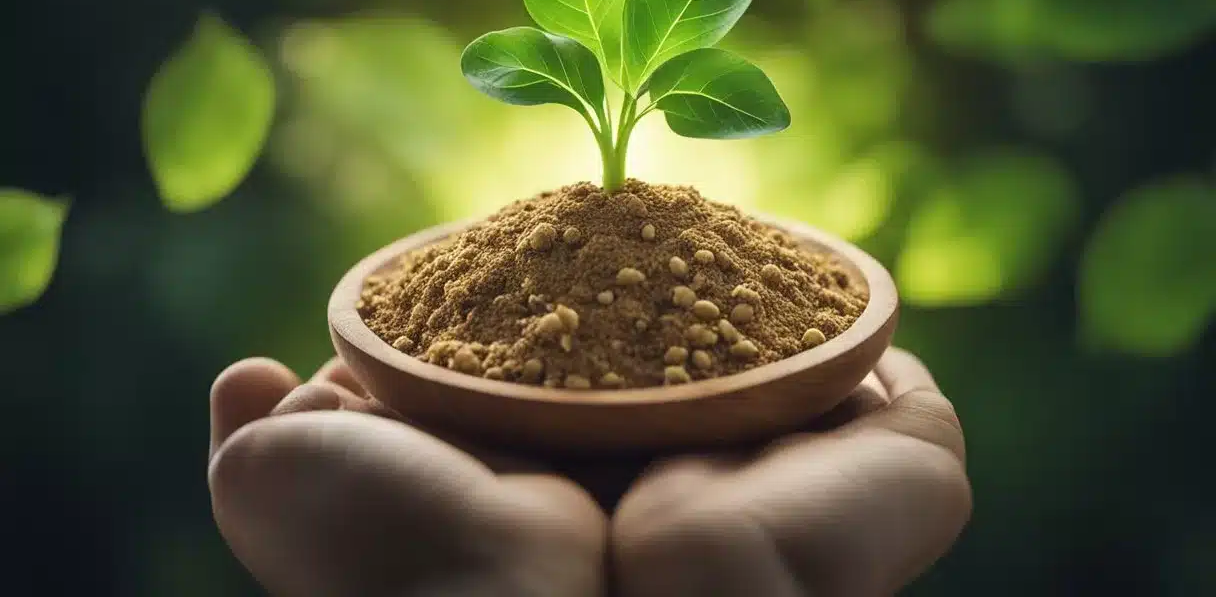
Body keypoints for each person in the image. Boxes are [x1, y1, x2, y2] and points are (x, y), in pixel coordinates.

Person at [208, 347, 971, 596]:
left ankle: (501, 558)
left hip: (483, 470)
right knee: (708, 554)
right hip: (743, 497)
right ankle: (722, 548)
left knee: (276, 396)